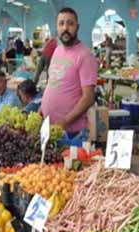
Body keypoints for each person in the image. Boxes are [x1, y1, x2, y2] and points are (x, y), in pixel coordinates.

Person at [40, 7, 98, 142]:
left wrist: (64, 122)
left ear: (77, 27)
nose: (65, 28)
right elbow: (52, 82)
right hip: (50, 128)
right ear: (57, 27)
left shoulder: (85, 55)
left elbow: (88, 98)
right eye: (61, 23)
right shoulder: (57, 50)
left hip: (72, 133)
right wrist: (42, 107)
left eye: (70, 23)